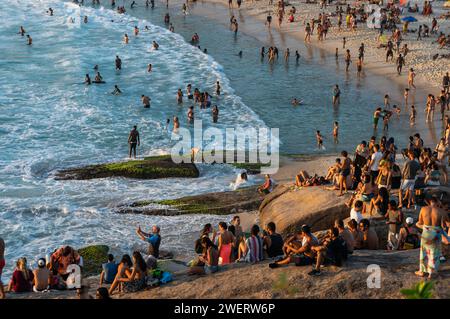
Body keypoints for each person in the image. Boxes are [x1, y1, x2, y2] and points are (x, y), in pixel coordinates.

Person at [415, 196, 449, 279]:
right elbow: (448, 223)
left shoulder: (423, 209)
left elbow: (420, 222)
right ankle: (432, 273)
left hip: (426, 232)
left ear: (430, 202)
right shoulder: (442, 211)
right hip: (436, 233)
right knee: (434, 253)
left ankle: (422, 271)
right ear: (437, 202)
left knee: (423, 252)